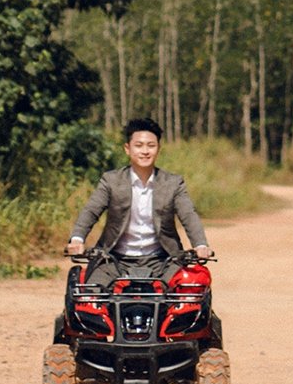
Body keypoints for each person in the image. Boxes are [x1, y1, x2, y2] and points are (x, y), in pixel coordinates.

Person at [66, 117, 211, 283]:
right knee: (92, 296)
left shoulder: (173, 183)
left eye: (151, 145)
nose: (145, 151)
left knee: (189, 293)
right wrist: (77, 239)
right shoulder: (111, 181)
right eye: (139, 145)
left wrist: (200, 245)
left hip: (163, 260)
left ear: (158, 149)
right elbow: (91, 211)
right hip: (113, 260)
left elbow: (188, 215)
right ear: (127, 149)